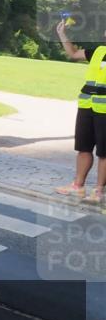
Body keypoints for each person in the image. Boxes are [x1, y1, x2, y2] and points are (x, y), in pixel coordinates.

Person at [54, 19, 106, 204]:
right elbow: (73, 53)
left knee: (104, 153)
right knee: (83, 148)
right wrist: (62, 34)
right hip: (87, 106)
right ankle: (78, 186)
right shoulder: (98, 51)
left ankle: (98, 191)